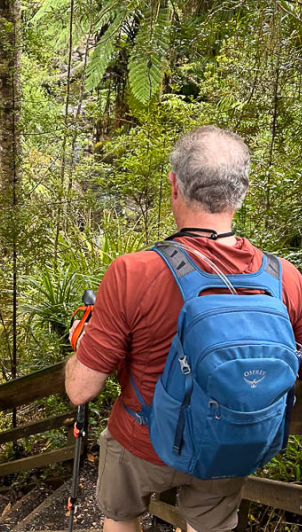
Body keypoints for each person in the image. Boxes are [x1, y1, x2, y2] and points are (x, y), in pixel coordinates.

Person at [65, 126, 302, 532]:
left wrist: (81, 344)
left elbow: (81, 390)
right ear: (241, 191)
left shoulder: (133, 272)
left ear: (174, 185)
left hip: (142, 442)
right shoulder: (286, 278)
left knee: (121, 519)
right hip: (229, 443)